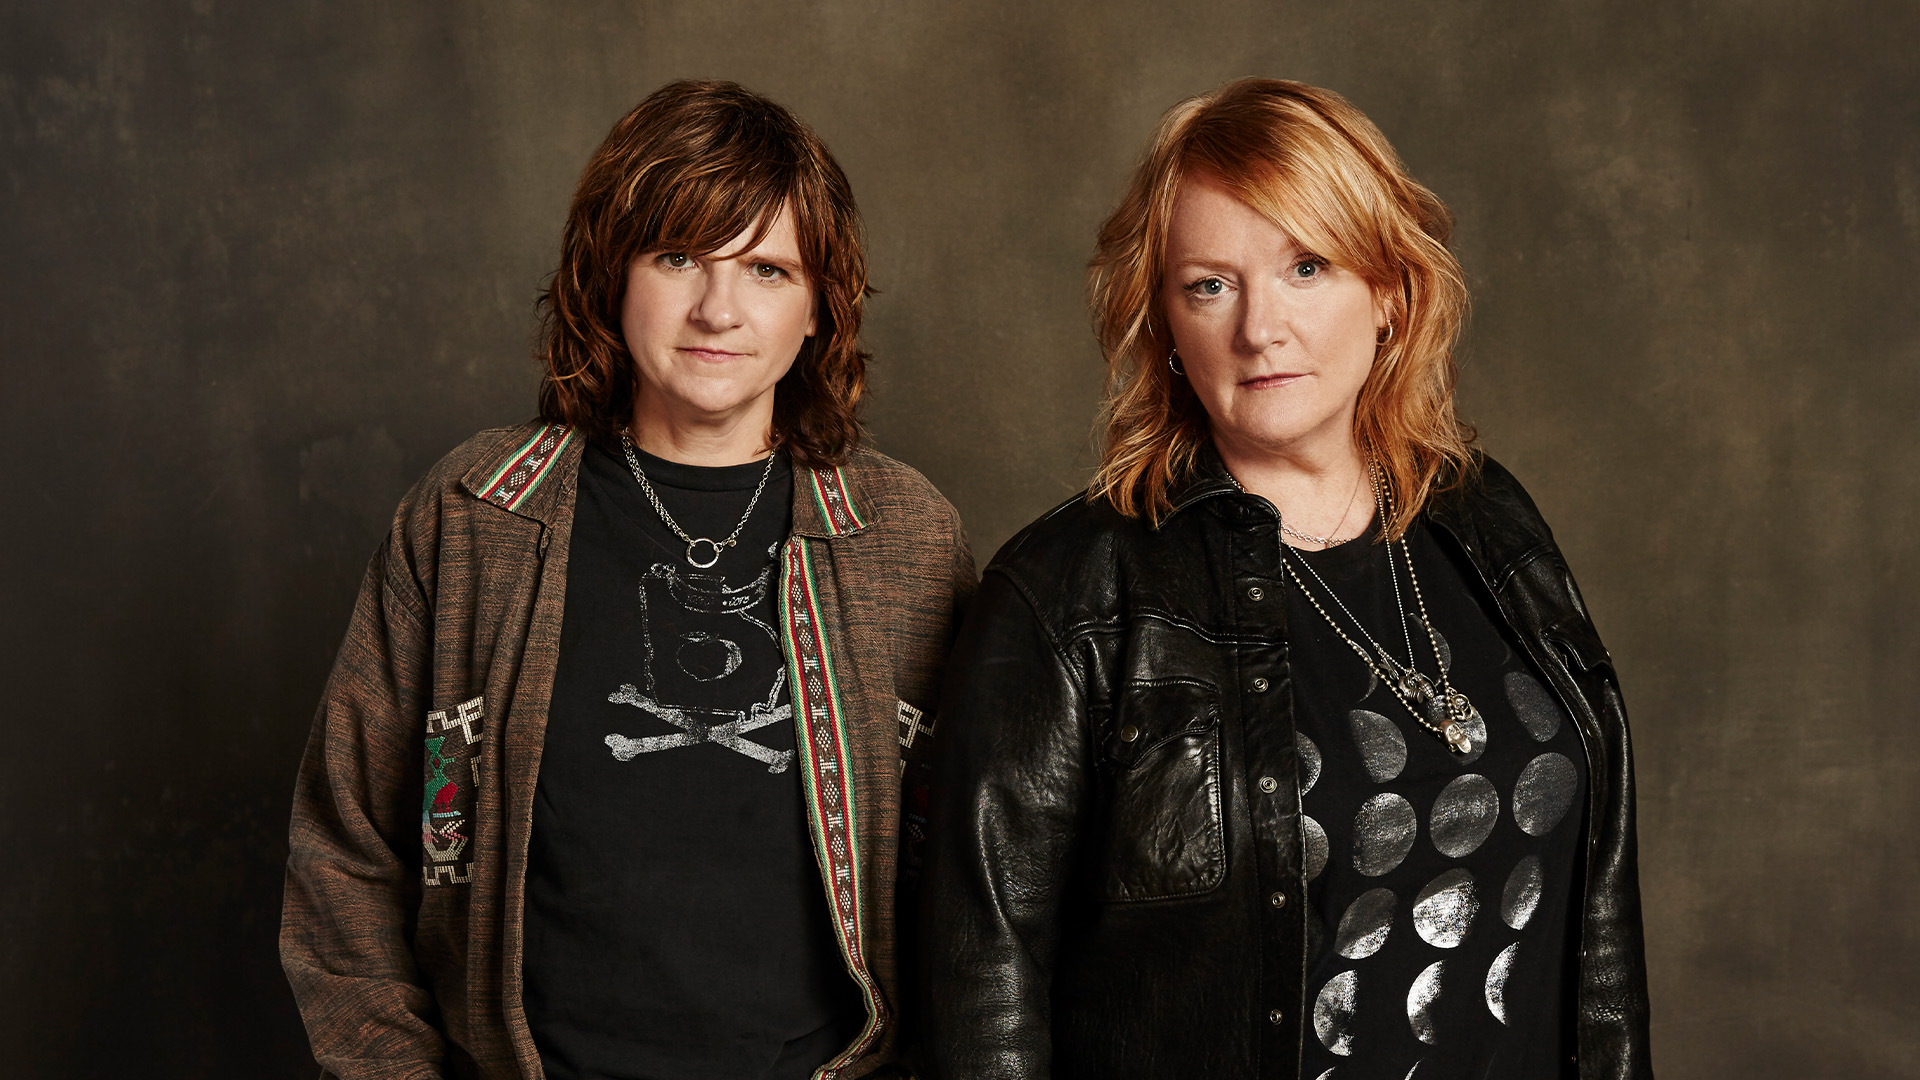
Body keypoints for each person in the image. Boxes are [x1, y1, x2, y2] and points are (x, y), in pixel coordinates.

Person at [921, 78, 1651, 1080]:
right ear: (1165, 328)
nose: (1259, 327)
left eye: (1307, 266)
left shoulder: (1487, 519)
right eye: (1208, 285)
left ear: (1390, 292)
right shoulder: (1069, 598)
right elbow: (980, 1001)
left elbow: (1597, 936)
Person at [282, 80, 975, 1080]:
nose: (718, 309)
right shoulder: (476, 516)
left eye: (769, 270)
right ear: (610, 272)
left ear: (822, 308)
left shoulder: (903, 539)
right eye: (679, 255)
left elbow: (985, 890)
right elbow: (341, 853)